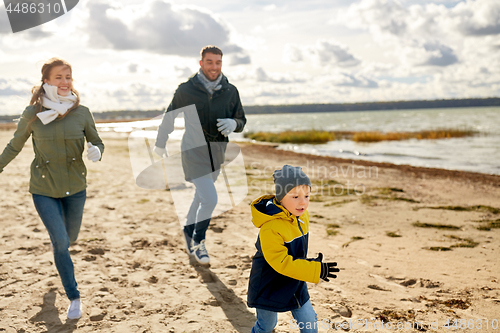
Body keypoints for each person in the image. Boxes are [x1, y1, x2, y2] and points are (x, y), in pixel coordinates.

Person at [0, 58, 104, 320]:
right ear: (46, 81)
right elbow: (15, 145)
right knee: (60, 242)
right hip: (43, 187)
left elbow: (97, 141)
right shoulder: (32, 113)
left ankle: (60, 250)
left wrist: (96, 151)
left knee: (69, 240)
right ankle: (74, 297)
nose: (65, 82)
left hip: (75, 187)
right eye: (59, 77)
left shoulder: (82, 112)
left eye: (68, 77)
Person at [154, 45, 246, 265]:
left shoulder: (230, 91)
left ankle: (188, 229)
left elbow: (241, 121)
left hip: (217, 154)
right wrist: (160, 142)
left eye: (218, 62)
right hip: (192, 152)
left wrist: (234, 123)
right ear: (201, 63)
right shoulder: (187, 89)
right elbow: (169, 116)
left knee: (201, 196)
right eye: (210, 62)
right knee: (211, 198)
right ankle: (199, 241)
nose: (214, 67)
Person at [247, 165, 340, 333]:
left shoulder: (302, 216)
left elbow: (296, 255)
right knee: (266, 325)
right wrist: (315, 269)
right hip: (269, 284)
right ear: (281, 198)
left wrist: (309, 266)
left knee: (309, 323)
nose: (303, 202)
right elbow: (281, 262)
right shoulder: (271, 227)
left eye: (307, 195)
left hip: (295, 280)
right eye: (295, 196)